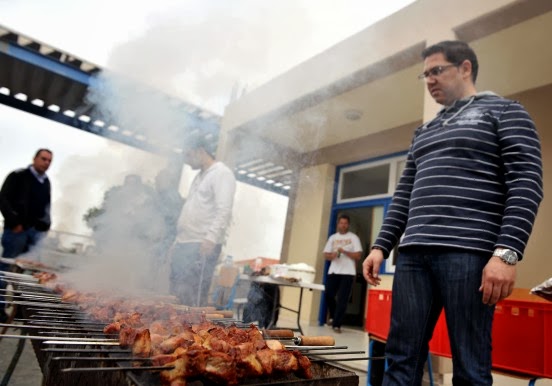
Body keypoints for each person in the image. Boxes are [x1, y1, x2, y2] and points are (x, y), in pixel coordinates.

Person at [362, 40, 543, 385]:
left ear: (465, 68)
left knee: (471, 369)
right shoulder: (424, 131)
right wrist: (380, 246)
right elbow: (404, 195)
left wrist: (506, 254)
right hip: (413, 256)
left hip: (469, 255)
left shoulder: (505, 112)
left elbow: (526, 182)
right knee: (400, 359)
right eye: (425, 74)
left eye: (436, 70)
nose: (429, 80)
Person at [169, 135, 236, 307]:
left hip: (201, 245)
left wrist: (210, 239)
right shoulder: (200, 176)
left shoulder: (221, 173)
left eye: (189, 155)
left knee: (192, 298)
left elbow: (224, 209)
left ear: (201, 151)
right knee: (176, 293)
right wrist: (177, 241)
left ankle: (193, 333)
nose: (187, 161)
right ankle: (173, 332)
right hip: (185, 243)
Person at [0, 149, 53, 322]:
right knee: (6, 270)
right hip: (17, 231)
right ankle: (0, 308)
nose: (46, 163)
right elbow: (3, 199)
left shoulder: (46, 182)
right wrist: (14, 222)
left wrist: (46, 227)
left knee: (29, 273)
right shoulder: (18, 175)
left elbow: (47, 207)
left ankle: (21, 310)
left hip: (35, 234)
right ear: (34, 159)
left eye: (49, 160)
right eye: (43, 159)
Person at [323, 214, 362, 333]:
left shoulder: (354, 238)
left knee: (343, 299)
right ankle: (334, 316)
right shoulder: (333, 238)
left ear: (348, 225)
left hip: (348, 272)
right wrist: (333, 255)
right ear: (338, 224)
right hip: (334, 271)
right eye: (341, 223)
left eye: (345, 223)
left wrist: (344, 251)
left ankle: (337, 325)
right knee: (328, 294)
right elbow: (325, 255)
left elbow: (358, 255)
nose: (343, 225)